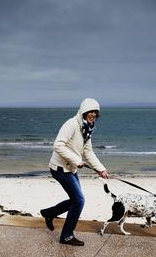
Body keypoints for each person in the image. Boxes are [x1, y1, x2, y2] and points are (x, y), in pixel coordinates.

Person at [40, 98, 110, 246]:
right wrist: (77, 160)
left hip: (70, 168)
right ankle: (66, 236)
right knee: (79, 201)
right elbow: (58, 145)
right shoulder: (71, 124)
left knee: (75, 200)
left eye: (95, 113)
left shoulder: (87, 128)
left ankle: (49, 213)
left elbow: (88, 152)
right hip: (60, 168)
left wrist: (100, 169)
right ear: (84, 111)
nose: (93, 115)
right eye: (90, 111)